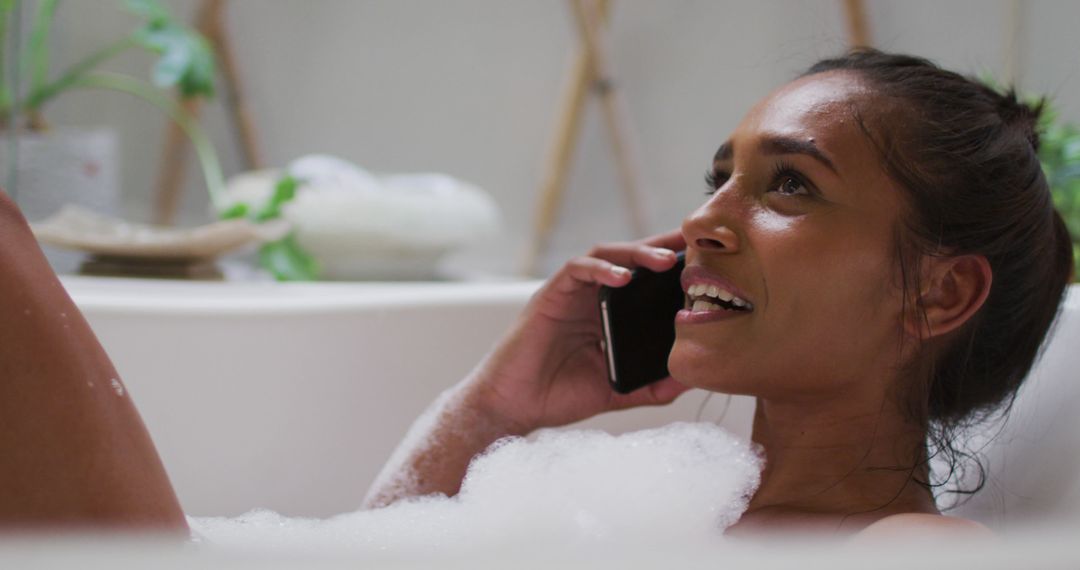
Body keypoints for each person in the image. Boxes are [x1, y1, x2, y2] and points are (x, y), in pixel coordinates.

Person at [0, 49, 1070, 537]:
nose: (706, 219)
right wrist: (492, 408)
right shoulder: (651, 502)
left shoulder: (912, 551)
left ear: (938, 296)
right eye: (719, 178)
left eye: (789, 184)